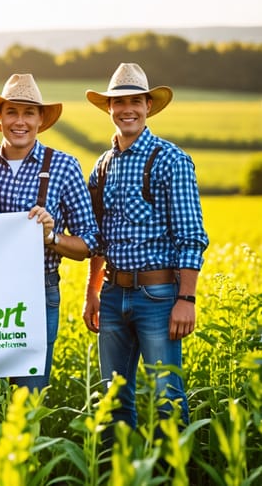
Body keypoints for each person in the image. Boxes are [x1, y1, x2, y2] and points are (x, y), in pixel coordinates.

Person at [81, 63, 208, 437]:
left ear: (148, 106)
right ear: (109, 109)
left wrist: (187, 298)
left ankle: (172, 475)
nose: (127, 110)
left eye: (135, 101)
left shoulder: (171, 160)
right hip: (113, 294)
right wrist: (92, 289)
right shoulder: (103, 165)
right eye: (119, 103)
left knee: (166, 399)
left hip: (158, 297)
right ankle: (120, 473)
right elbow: (99, 237)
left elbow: (191, 236)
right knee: (113, 400)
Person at [0, 73, 99, 395]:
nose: (20, 121)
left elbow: (88, 243)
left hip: (38, 292)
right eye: (12, 111)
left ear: (41, 119)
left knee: (28, 395)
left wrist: (51, 237)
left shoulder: (64, 166)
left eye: (29, 113)